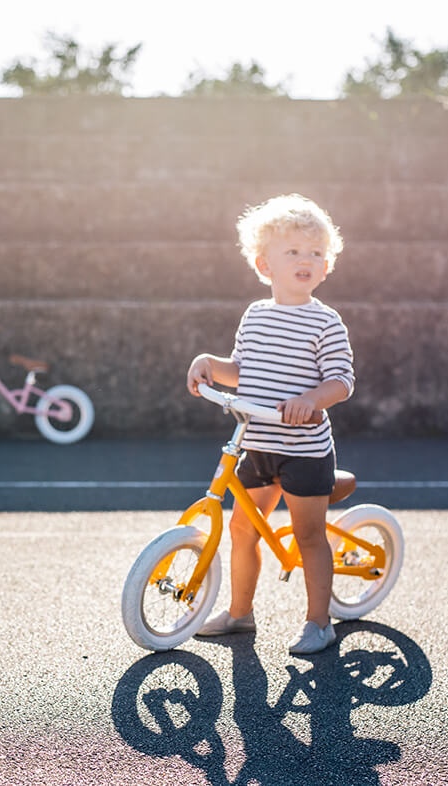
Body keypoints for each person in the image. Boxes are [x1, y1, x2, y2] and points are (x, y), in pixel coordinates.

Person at [186, 193, 354, 655]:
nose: (307, 260)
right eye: (294, 252)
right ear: (265, 265)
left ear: (326, 267)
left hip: (303, 449)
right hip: (257, 441)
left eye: (317, 253)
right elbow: (243, 370)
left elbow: (341, 381)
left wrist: (310, 399)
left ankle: (319, 623)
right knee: (242, 528)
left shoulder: (326, 323)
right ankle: (241, 613)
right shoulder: (256, 316)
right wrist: (208, 363)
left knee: (309, 536)